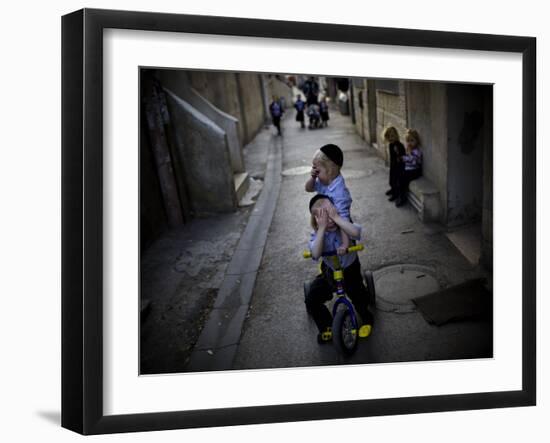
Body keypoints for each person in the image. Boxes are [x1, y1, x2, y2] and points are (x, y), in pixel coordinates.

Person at [305, 194, 373, 343]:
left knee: (359, 296)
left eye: (332, 213)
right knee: (312, 299)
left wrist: (337, 219)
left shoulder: (342, 222)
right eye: (324, 217)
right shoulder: (317, 234)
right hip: (330, 272)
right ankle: (328, 327)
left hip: (350, 269)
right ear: (316, 220)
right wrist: (322, 229)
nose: (330, 220)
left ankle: (367, 319)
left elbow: (356, 233)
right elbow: (315, 254)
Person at [305, 144, 351, 255]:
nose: (315, 172)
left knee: (345, 265)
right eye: (313, 169)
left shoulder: (340, 193)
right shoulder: (323, 181)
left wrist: (345, 245)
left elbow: (344, 219)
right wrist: (313, 177)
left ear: (329, 171)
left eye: (317, 170)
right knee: (326, 257)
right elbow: (308, 188)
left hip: (339, 233)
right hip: (325, 226)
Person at [394, 129, 423, 207]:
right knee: (398, 173)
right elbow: (407, 159)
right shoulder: (410, 149)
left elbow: (414, 162)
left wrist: (406, 156)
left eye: (412, 140)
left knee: (403, 179)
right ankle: (398, 193)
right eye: (408, 141)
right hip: (409, 168)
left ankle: (403, 197)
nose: (409, 143)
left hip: (415, 170)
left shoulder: (417, 151)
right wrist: (402, 157)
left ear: (417, 141)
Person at [383, 126, 405, 201]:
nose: (390, 138)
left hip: (399, 166)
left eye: (392, 136)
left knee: (396, 180)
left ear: (396, 135)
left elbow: (402, 157)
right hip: (393, 165)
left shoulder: (399, 145)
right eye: (388, 137)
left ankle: (396, 193)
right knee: (391, 179)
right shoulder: (391, 145)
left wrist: (397, 152)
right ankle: (392, 189)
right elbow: (392, 156)